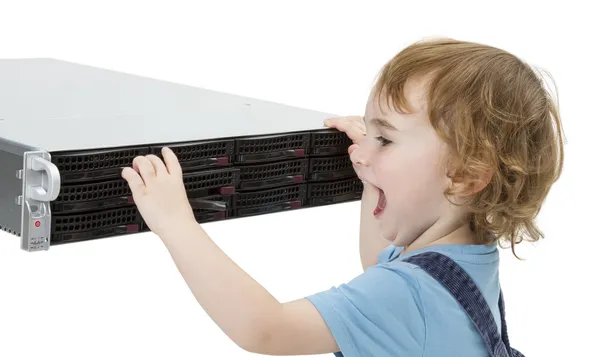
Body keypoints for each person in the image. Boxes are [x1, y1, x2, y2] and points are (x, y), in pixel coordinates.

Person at [121, 38, 564, 356]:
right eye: (367, 133)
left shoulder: (409, 296)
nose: (361, 152)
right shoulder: (465, 256)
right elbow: (381, 265)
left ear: (467, 175)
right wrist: (374, 172)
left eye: (386, 140)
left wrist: (176, 224)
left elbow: (266, 330)